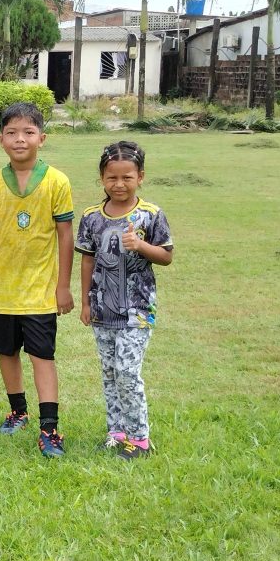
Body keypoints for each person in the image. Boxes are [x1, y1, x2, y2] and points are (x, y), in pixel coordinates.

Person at [0, 102, 74, 458]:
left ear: (41, 138)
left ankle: (50, 428)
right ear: (0, 139)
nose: (20, 139)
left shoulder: (57, 182)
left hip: (40, 292)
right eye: (12, 133)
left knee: (42, 356)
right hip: (3, 290)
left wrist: (63, 286)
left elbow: (65, 236)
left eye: (28, 132)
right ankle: (18, 411)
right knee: (7, 351)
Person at [77, 140, 173, 460]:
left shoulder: (151, 215)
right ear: (102, 178)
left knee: (127, 371)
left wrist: (140, 246)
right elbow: (87, 260)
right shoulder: (91, 217)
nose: (119, 184)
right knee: (109, 372)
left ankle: (139, 438)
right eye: (112, 177)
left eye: (127, 177)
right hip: (103, 308)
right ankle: (116, 432)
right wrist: (86, 302)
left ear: (140, 177)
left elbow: (166, 256)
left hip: (137, 310)